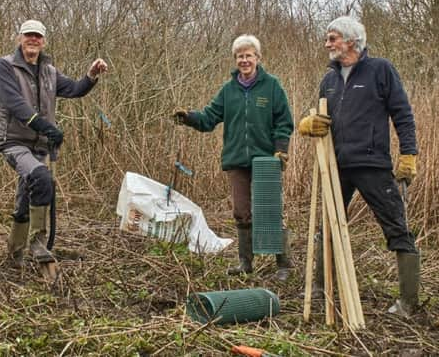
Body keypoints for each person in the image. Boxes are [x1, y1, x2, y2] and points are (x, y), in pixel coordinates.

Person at [298, 16, 419, 317]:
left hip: (372, 164)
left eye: (333, 38)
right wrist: (307, 124)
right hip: (336, 165)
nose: (327, 44)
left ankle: (408, 302)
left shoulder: (381, 70)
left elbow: (402, 115)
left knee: (396, 227)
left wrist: (409, 155)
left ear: (351, 41)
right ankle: (321, 287)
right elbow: (319, 117)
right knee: (326, 227)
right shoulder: (328, 79)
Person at [174, 34, 294, 280]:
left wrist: (281, 149)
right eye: (240, 56)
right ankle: (245, 263)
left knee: (270, 211)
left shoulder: (272, 86)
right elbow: (209, 118)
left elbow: (284, 121)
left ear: (258, 58)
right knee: (241, 211)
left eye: (249, 55)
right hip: (237, 159)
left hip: (266, 160)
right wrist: (188, 117)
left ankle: (283, 265)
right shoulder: (228, 91)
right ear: (235, 60)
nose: (244, 60)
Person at [0, 19, 108, 266]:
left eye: (37, 36)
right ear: (19, 38)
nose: (32, 40)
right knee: (41, 178)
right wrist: (45, 126)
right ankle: (38, 242)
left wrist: (91, 76)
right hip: (14, 141)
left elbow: (75, 89)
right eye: (28, 35)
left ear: (43, 41)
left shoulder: (49, 71)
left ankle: (14, 254)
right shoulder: (5, 66)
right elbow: (14, 103)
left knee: (29, 192)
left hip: (39, 145)